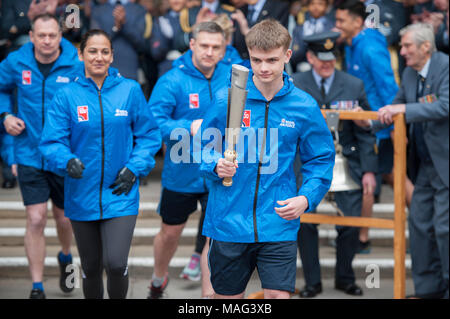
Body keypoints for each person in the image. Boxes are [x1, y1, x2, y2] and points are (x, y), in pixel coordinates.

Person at [199, 19, 335, 299]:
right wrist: (215, 163)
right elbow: (201, 147)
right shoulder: (227, 100)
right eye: (256, 60)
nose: (263, 68)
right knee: (227, 300)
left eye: (272, 60)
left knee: (278, 296)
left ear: (287, 55)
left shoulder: (304, 106)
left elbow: (320, 159)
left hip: (278, 219)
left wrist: (306, 198)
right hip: (228, 220)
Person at [39, 29, 161, 299]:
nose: (99, 57)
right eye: (92, 51)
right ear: (81, 54)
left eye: (105, 51)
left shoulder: (129, 90)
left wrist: (135, 167)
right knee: (91, 267)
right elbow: (51, 142)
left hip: (121, 192)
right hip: (81, 192)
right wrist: (67, 159)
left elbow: (150, 135)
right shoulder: (66, 95)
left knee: (116, 263)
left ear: (112, 56)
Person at [358, 23, 448, 299]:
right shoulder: (409, 73)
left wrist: (403, 109)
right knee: (419, 227)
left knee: (445, 229)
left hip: (445, 166)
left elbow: (444, 105)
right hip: (422, 166)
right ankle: (428, 290)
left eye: (408, 45)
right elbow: (392, 110)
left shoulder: (446, 66)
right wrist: (368, 123)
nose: (403, 51)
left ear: (426, 46)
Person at [0, 13, 81, 299]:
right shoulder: (15, 62)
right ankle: (37, 287)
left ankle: (66, 257)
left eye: (52, 35)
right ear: (31, 36)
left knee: (64, 219)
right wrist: (5, 115)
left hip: (64, 155)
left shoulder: (76, 64)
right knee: (35, 219)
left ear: (60, 36)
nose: (47, 40)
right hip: (29, 152)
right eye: (41, 35)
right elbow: (1, 89)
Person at [147, 21, 229, 299]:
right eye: (204, 45)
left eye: (215, 47)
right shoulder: (172, 80)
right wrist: (186, 127)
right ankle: (159, 277)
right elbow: (152, 123)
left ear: (223, 49)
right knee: (171, 233)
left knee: (213, 237)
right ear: (192, 44)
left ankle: (208, 296)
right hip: (181, 172)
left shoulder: (231, 78)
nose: (209, 51)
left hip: (218, 171)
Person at [293, 31, 377, 297]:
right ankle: (312, 282)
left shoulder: (353, 84)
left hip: (347, 164)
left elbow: (366, 131)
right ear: (309, 57)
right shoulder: (295, 83)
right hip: (305, 164)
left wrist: (369, 170)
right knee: (305, 224)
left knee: (349, 224)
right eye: (321, 58)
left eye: (332, 58)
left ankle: (345, 277)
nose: (327, 63)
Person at [335, 0, 398, 253]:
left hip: (379, 127)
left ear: (357, 22)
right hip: (363, 125)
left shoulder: (370, 47)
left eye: (341, 21)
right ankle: (361, 235)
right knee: (391, 177)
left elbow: (390, 89)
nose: (336, 26)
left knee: (373, 178)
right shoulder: (351, 44)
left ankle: (362, 237)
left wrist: (395, 130)